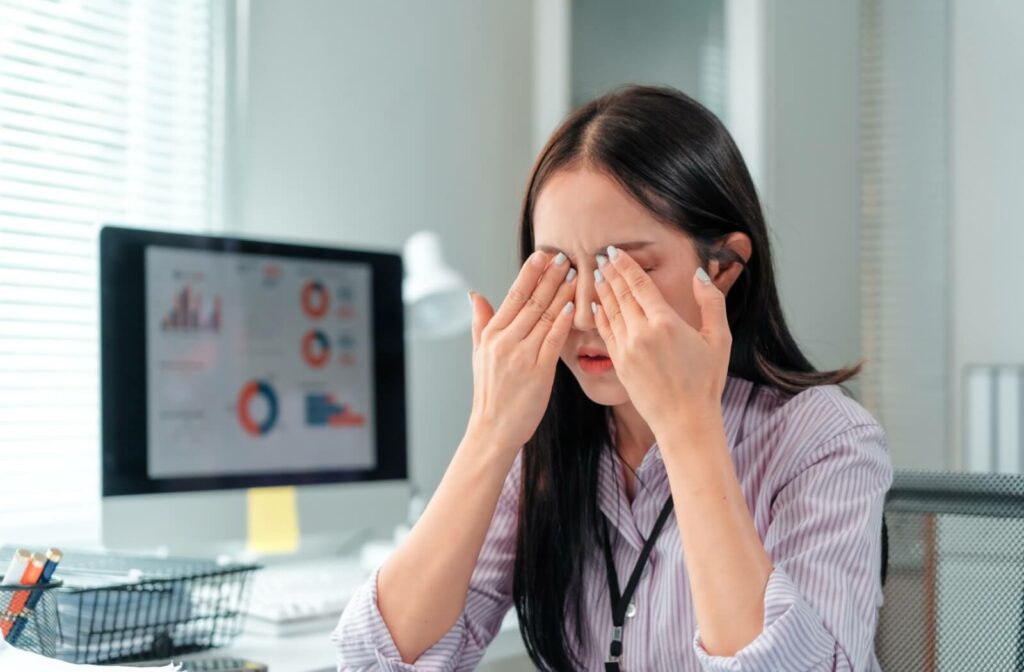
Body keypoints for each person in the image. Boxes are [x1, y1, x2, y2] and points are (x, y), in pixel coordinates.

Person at [332, 85, 892, 671]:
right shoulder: (544, 447)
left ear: (723, 269)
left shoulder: (826, 441)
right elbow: (376, 662)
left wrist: (687, 427)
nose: (580, 312)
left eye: (622, 269)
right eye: (558, 270)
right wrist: (490, 432)